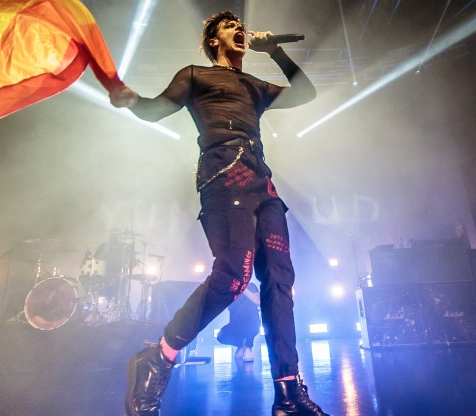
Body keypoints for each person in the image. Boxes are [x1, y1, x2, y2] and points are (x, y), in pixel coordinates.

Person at [109, 10, 329, 416]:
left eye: (240, 27)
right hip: (224, 178)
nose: (239, 30)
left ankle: (287, 392)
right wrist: (133, 101)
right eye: (230, 27)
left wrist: (276, 52)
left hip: (263, 186)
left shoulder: (253, 84)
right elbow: (157, 109)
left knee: (280, 282)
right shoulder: (196, 75)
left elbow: (305, 93)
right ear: (214, 40)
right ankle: (159, 356)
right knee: (233, 275)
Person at [217, 281, 261, 362]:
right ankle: (241, 345)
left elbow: (258, 301)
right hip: (235, 323)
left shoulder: (251, 286)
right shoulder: (231, 287)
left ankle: (248, 347)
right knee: (221, 336)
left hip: (251, 320)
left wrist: (243, 289)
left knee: (250, 324)